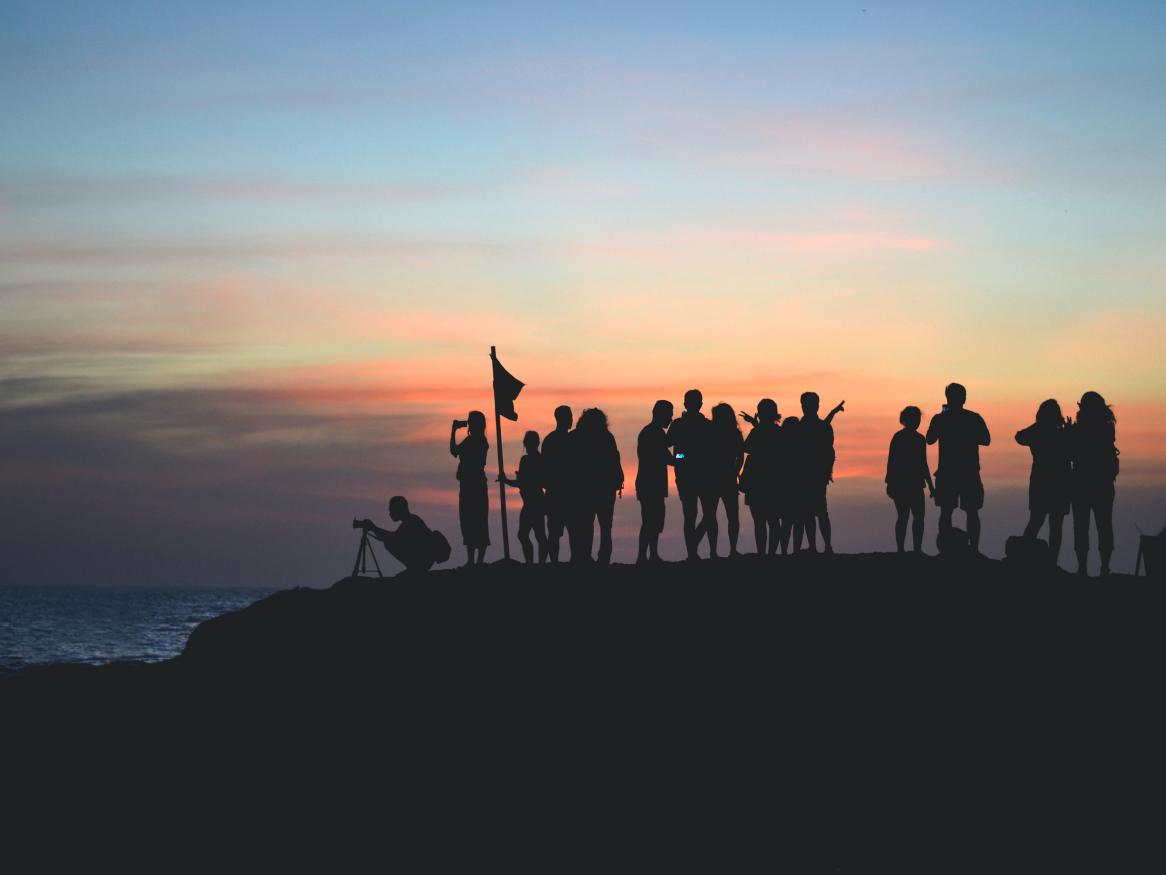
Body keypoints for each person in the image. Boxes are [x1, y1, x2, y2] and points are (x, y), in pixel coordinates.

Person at [926, 383, 991, 554]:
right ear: (964, 398)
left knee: (946, 511)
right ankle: (974, 550)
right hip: (969, 472)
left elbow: (929, 439)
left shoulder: (940, 419)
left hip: (947, 472)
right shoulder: (974, 418)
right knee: (972, 512)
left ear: (947, 398)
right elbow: (986, 439)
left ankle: (945, 549)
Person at [1015, 399, 1071, 566]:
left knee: (1037, 520)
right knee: (1055, 525)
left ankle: (1023, 557)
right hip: (1060, 483)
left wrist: (1039, 426)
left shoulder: (1038, 432)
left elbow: (1020, 436)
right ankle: (1051, 562)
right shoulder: (1061, 434)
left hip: (1041, 482)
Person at [1068, 391, 1118, 577]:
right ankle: (1104, 568)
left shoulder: (1081, 429)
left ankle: (1082, 569)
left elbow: (1071, 453)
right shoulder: (1107, 427)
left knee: (1081, 527)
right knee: (1104, 526)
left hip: (1081, 483)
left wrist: (1069, 432)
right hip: (1103, 484)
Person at [569, 408, 624, 564]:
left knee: (586, 525)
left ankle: (586, 556)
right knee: (605, 526)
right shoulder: (606, 437)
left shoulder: (575, 437)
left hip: (585, 489)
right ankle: (602, 557)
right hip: (603, 488)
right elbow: (615, 460)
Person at [667, 389, 715, 561]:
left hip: (701, 475)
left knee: (704, 514)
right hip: (690, 475)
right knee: (693, 514)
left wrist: (682, 457)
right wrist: (682, 458)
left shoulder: (706, 425)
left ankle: (698, 548)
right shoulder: (680, 424)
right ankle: (693, 553)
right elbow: (669, 445)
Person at [797, 392, 843, 554]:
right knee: (813, 513)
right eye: (804, 404)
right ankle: (818, 547)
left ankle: (823, 546)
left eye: (807, 404)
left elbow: (828, 451)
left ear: (815, 406)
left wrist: (826, 472)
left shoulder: (804, 426)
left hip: (812, 476)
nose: (805, 407)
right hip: (810, 476)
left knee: (817, 513)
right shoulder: (815, 426)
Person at [886, 406, 935, 553]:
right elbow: (893, 462)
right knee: (908, 518)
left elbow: (922, 464)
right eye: (916, 418)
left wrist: (930, 486)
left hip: (910, 484)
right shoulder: (907, 438)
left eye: (918, 418)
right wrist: (931, 486)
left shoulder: (912, 439)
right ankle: (907, 549)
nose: (918, 421)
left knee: (911, 518)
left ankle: (913, 549)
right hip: (907, 484)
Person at [740, 399, 783, 555]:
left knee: (760, 521)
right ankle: (770, 553)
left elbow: (747, 448)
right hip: (773, 481)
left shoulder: (758, 432)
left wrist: (755, 425)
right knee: (772, 520)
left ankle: (762, 553)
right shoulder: (779, 432)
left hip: (757, 481)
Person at [499, 430, 548, 565]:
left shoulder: (531, 460)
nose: (527, 446)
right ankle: (532, 563)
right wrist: (508, 480)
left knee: (536, 536)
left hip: (535, 502)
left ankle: (534, 563)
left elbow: (524, 482)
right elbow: (523, 482)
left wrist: (507, 480)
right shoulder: (533, 459)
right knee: (528, 535)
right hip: (531, 501)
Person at [636, 400, 674, 563]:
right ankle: (646, 556)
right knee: (651, 521)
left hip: (649, 483)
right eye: (669, 415)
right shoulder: (654, 433)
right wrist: (685, 456)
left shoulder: (650, 432)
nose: (670, 419)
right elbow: (669, 457)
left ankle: (650, 555)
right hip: (651, 484)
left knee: (652, 521)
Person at [358, 496, 437, 574]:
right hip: (424, 559)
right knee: (389, 542)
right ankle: (413, 568)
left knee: (389, 543)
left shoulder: (411, 522)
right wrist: (374, 529)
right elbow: (395, 537)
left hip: (423, 561)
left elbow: (394, 539)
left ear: (399, 509)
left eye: (392, 510)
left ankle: (415, 568)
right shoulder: (411, 520)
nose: (390, 514)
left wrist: (373, 528)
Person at [450, 410, 490, 566]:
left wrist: (453, 431)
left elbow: (454, 451)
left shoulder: (477, 441)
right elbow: (454, 451)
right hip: (469, 485)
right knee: (469, 521)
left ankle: (477, 560)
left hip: (474, 486)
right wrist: (454, 431)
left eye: (470, 421)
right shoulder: (473, 440)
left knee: (476, 521)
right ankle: (473, 560)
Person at [706, 403, 745, 557]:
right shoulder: (734, 433)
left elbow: (740, 456)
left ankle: (715, 551)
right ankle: (729, 550)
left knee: (714, 517)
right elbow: (740, 456)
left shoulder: (710, 432)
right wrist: (735, 471)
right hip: (724, 478)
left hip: (714, 478)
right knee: (730, 517)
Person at [541, 405, 574, 563]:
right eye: (569, 416)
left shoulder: (550, 440)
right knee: (557, 532)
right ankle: (555, 561)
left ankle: (558, 561)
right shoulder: (566, 441)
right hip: (560, 492)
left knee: (566, 531)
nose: (571, 419)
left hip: (561, 492)